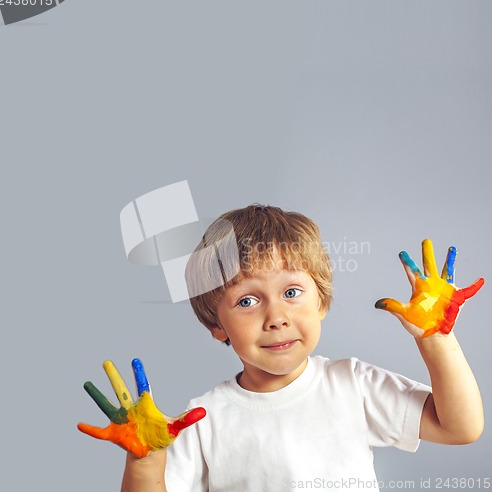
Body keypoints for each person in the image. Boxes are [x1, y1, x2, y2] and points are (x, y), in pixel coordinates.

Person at [79, 204, 485, 492]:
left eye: (292, 291)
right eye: (247, 301)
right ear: (216, 326)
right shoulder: (202, 420)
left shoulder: (352, 384)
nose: (276, 316)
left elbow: (460, 427)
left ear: (321, 301)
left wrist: (437, 340)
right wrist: (145, 460)